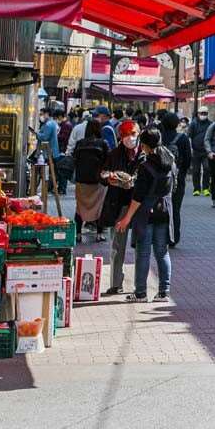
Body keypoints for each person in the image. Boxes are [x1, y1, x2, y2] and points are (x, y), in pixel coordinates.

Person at [115, 126, 174, 302]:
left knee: (143, 252)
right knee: (162, 252)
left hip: (146, 212)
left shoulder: (146, 166)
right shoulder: (170, 161)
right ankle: (164, 291)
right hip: (164, 210)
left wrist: (127, 218)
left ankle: (140, 293)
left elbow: (138, 196)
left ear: (145, 145)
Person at [99, 120, 142, 296]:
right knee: (117, 245)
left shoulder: (145, 153)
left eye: (132, 134)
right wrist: (109, 177)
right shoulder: (114, 154)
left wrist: (134, 181)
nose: (129, 138)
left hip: (140, 204)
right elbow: (102, 174)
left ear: (138, 133)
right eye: (125, 135)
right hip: (119, 204)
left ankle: (141, 286)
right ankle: (116, 283)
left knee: (142, 246)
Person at [71, 109, 111, 243]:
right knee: (99, 207)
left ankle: (78, 234)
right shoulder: (103, 143)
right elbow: (109, 160)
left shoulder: (80, 143)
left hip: (81, 181)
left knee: (80, 208)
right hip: (98, 181)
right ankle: (99, 234)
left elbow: (74, 158)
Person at [157, 110, 191, 248]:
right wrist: (181, 172)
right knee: (175, 209)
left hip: (159, 178)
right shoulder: (182, 139)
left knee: (159, 207)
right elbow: (188, 160)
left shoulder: (159, 137)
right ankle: (173, 237)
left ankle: (159, 236)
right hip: (177, 179)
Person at [30, 105, 59, 198]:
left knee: (44, 173)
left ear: (47, 114)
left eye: (42, 114)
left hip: (47, 153)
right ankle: (43, 190)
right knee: (46, 173)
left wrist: (35, 133)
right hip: (49, 152)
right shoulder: (51, 123)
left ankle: (43, 190)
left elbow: (44, 137)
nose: (41, 116)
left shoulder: (49, 124)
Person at [188, 107, 212, 196]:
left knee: (207, 169)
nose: (203, 115)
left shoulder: (210, 124)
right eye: (202, 113)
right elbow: (189, 137)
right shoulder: (193, 124)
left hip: (207, 151)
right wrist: (190, 148)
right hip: (196, 151)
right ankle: (196, 189)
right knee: (196, 171)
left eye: (205, 113)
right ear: (198, 114)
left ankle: (206, 188)